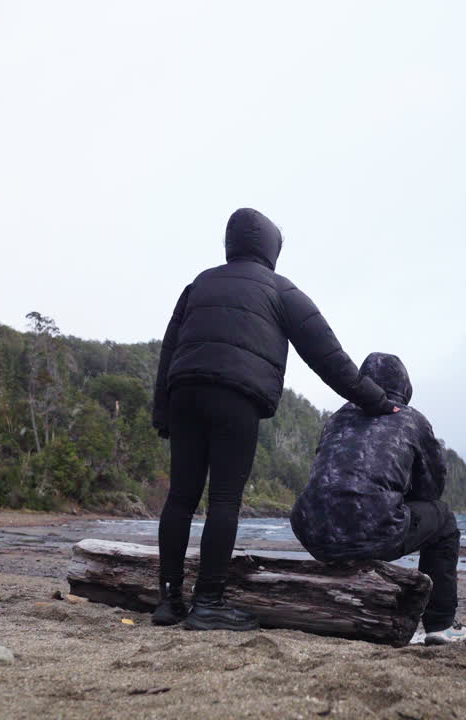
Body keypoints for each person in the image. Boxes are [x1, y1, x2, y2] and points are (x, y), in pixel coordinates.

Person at [151, 208, 398, 631]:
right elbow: (330, 359)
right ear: (271, 247)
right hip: (237, 397)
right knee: (224, 500)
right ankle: (207, 603)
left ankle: (168, 601)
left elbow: (169, 350)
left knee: (181, 498)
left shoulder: (198, 284)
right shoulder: (281, 290)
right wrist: (378, 401)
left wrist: (161, 410)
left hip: (184, 391)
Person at [289, 352, 466, 645]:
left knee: (358, 515)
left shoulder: (337, 417)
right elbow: (431, 490)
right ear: (404, 387)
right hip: (373, 527)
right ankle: (440, 624)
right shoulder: (411, 419)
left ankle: (349, 590)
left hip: (312, 530)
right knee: (444, 520)